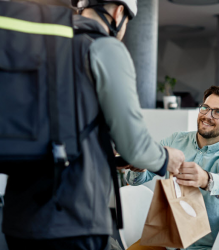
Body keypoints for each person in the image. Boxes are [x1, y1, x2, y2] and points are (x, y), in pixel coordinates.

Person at [2, 0, 185, 250]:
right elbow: (135, 146)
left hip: (19, 217)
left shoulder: (43, 46)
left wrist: (113, 158)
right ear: (119, 12)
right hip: (74, 218)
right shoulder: (104, 47)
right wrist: (167, 158)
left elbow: (59, 129)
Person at [125, 86, 219, 250]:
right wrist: (139, 169)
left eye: (218, 112)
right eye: (205, 108)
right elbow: (136, 179)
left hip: (203, 246)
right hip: (164, 241)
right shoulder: (175, 140)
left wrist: (206, 179)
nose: (207, 116)